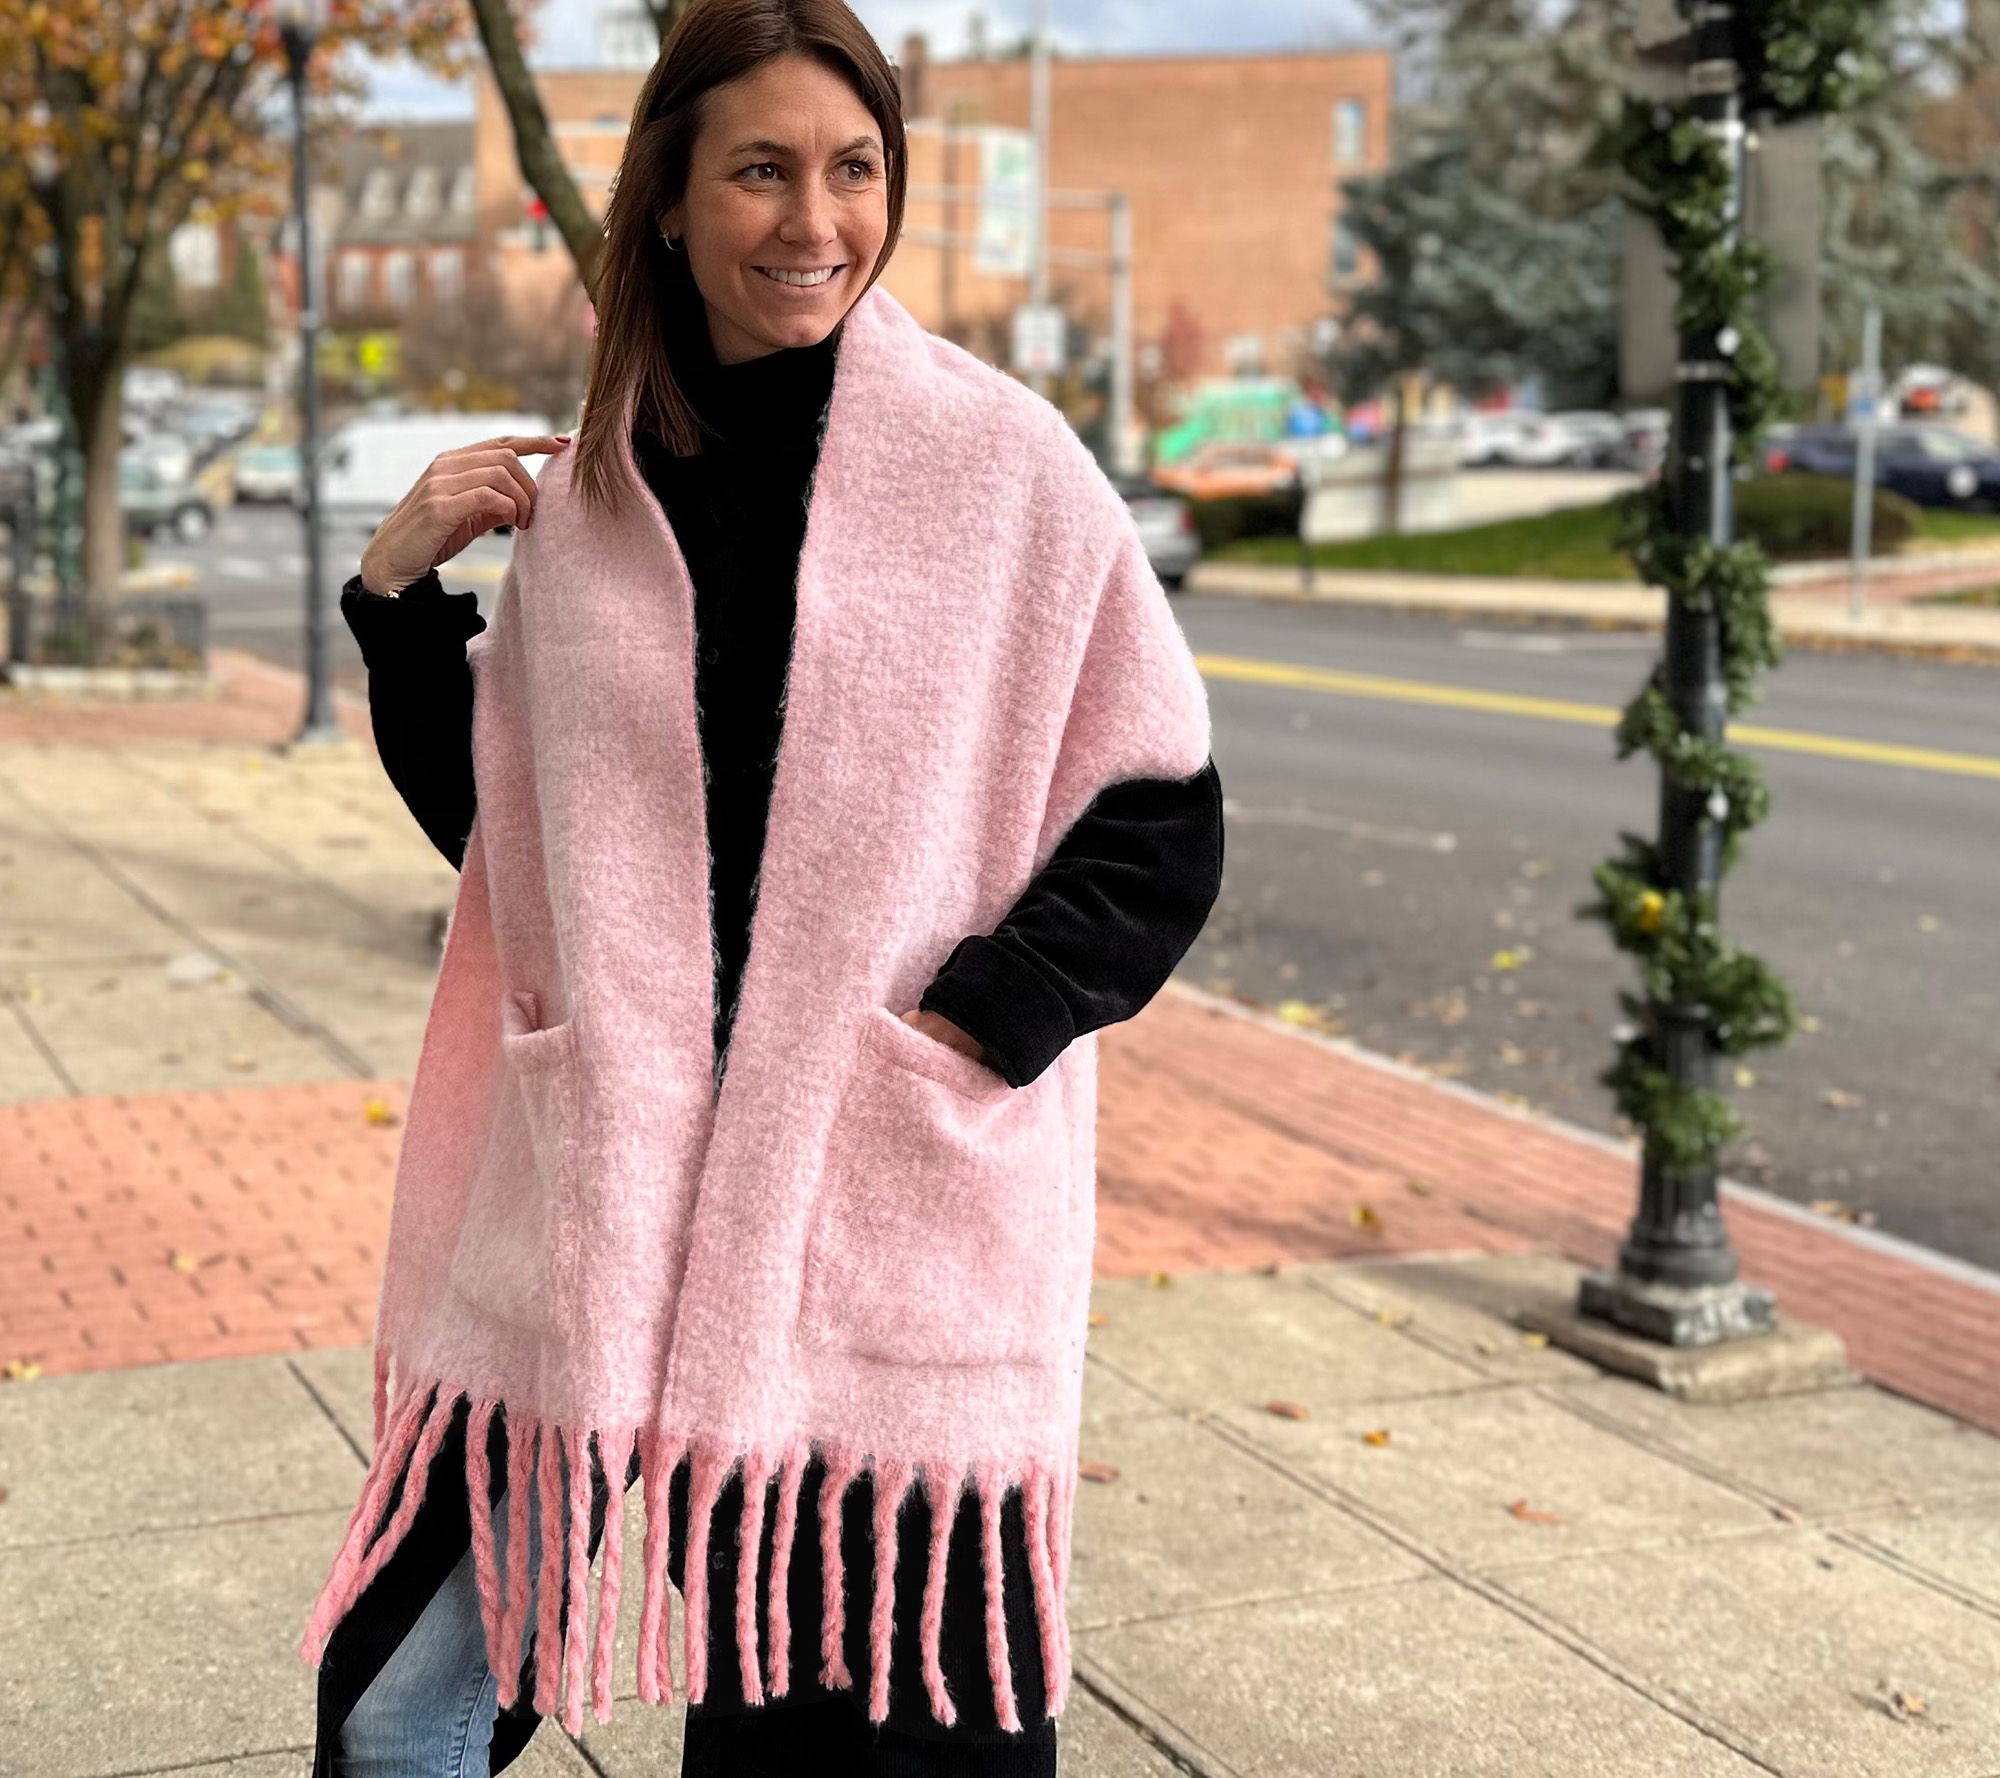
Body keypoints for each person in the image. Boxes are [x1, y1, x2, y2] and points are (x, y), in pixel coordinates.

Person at [306, 3, 1224, 1773]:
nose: (816, 219)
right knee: (402, 1701)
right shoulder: (595, 490)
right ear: (666, 200)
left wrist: (972, 1028)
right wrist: (397, 608)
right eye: (761, 170)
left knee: (869, 1721)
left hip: (874, 1191)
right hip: (608, 1182)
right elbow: (513, 836)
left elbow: (1161, 818)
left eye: (854, 167)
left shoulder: (1006, 470)